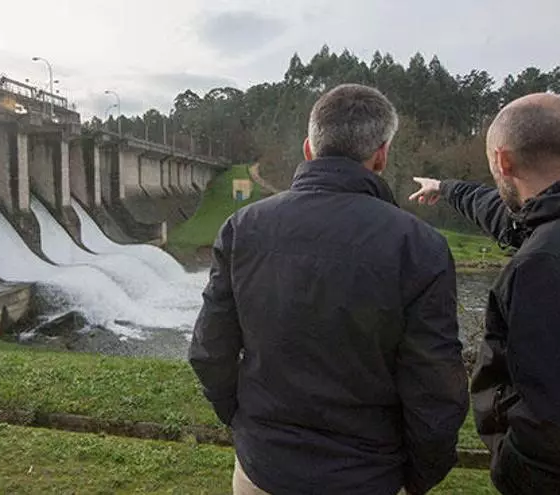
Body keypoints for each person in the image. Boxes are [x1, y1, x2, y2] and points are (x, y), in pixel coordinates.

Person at [189, 83, 469, 495]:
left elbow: (209, 350)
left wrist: (246, 425)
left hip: (263, 469)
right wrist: (419, 475)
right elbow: (436, 386)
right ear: (381, 155)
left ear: (309, 148)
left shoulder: (243, 228)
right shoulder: (419, 245)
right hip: (369, 475)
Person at [409, 92, 560, 494]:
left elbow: (550, 425)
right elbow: (514, 218)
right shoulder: (550, 225)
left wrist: (509, 466)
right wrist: (447, 188)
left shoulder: (543, 265)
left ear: (502, 161)